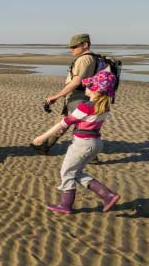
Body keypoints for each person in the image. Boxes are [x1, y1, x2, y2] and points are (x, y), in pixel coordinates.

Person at [33, 71, 120, 214]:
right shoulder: (104, 106)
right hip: (96, 143)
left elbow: (64, 123)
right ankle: (107, 195)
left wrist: (42, 137)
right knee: (75, 172)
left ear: (94, 89)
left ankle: (65, 205)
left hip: (82, 144)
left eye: (88, 85)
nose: (85, 87)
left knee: (66, 172)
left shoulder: (86, 106)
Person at [33, 33, 106, 154]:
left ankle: (91, 155)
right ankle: (45, 146)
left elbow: (75, 82)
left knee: (81, 124)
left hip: (79, 95)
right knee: (63, 120)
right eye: (70, 47)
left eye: (74, 46)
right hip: (81, 95)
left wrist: (55, 96)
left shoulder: (84, 59)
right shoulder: (93, 58)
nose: (71, 49)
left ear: (85, 45)